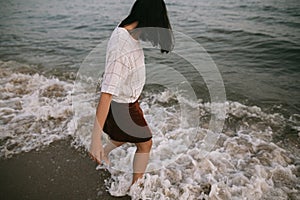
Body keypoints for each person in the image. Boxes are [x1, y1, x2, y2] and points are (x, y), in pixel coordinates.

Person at [89, 0, 174, 185]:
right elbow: (107, 93)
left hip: (128, 101)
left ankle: (104, 151)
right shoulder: (122, 45)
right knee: (145, 144)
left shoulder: (127, 30)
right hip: (122, 105)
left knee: (121, 137)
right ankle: (137, 187)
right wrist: (94, 139)